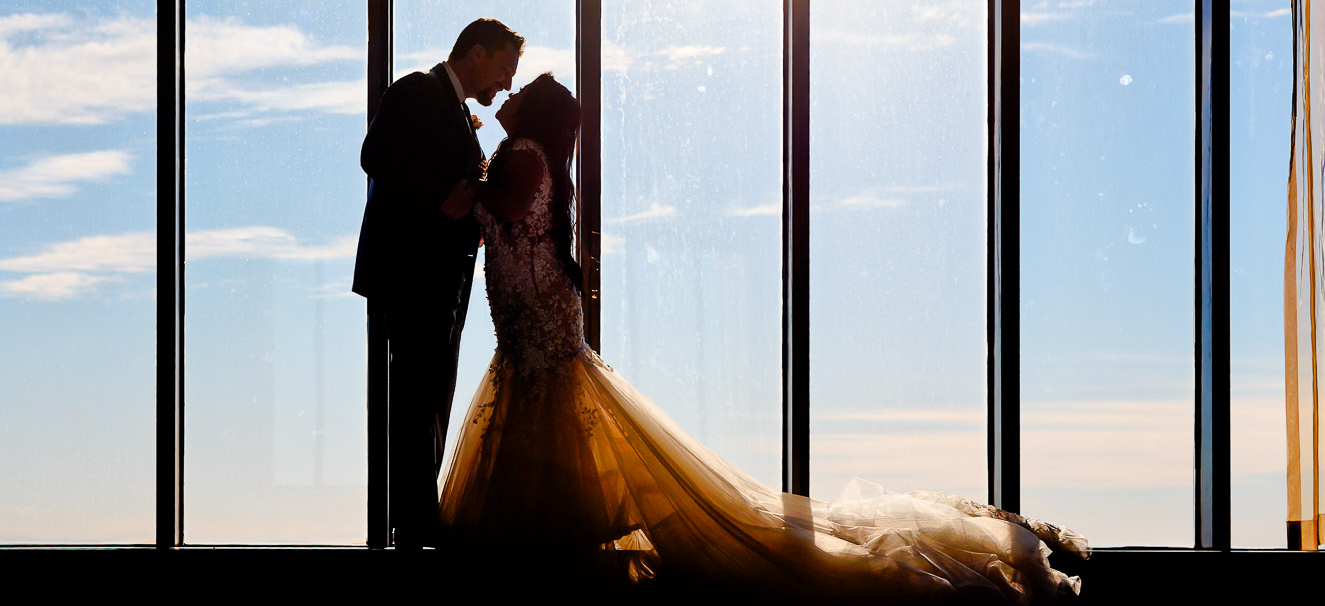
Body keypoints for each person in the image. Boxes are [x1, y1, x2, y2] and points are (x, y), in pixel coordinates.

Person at [440, 73, 1089, 596]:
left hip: (536, 328)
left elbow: (509, 207)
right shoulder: (526, 154)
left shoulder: (520, 156)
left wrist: (468, 183)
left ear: (535, 115)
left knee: (550, 437)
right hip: (532, 324)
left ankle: (549, 555)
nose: (511, 94)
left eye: (523, 93)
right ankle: (555, 548)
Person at [352, 17, 523, 549]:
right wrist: (442, 195)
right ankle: (413, 532)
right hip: (411, 272)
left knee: (428, 397)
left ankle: (419, 525)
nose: (507, 84)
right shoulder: (417, 90)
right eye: (503, 68)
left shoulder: (456, 112)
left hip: (440, 278)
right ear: (475, 54)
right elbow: (372, 157)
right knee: (414, 401)